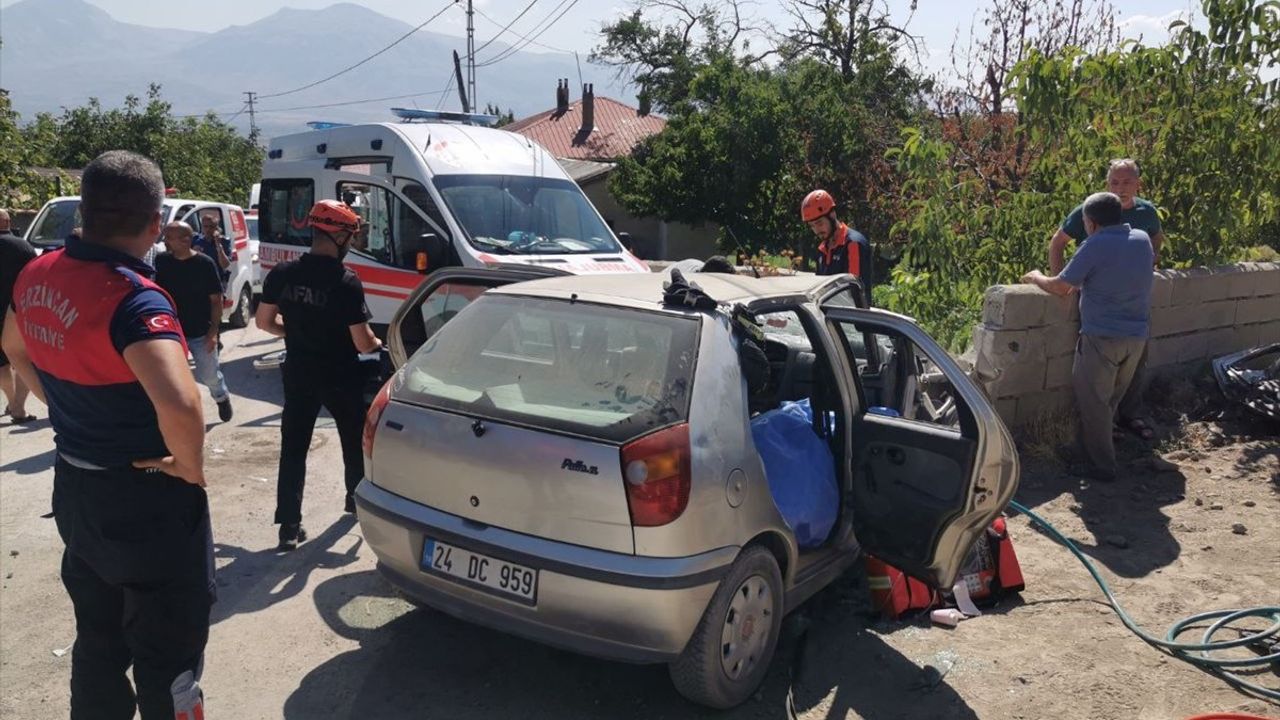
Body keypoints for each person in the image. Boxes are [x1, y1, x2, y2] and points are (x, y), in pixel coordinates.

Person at [1, 150, 213, 719]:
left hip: (76, 491)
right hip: (146, 498)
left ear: (85, 209)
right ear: (153, 222)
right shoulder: (134, 297)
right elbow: (180, 402)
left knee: (98, 641)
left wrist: (60, 404)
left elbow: (15, 348)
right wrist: (190, 468)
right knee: (169, 655)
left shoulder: (36, 272)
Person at [256, 200, 382, 550]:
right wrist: (379, 343)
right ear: (339, 235)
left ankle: (289, 526)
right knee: (352, 439)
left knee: (293, 448)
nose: (352, 244)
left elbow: (264, 322)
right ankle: (354, 501)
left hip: (298, 374)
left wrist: (294, 333)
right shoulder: (346, 281)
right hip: (341, 374)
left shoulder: (282, 274)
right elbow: (363, 341)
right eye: (351, 237)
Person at [1023, 192, 1154, 481]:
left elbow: (1061, 287)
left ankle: (1102, 467)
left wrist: (1036, 276)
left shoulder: (1094, 245)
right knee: (1110, 401)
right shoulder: (1142, 239)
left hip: (1102, 337)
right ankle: (1102, 451)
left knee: (1093, 403)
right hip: (1137, 337)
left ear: (1091, 223)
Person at [1048, 158, 1165, 441]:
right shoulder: (1091, 209)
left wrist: (1150, 266)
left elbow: (1157, 238)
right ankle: (1105, 428)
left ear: (1138, 184)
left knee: (1134, 363)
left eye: (1126, 182)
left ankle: (1129, 415)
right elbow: (1058, 242)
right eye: (1115, 182)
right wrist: (1064, 281)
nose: (1120, 188)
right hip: (1099, 301)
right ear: (1107, 184)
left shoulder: (1146, 213)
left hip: (1133, 302)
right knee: (1098, 367)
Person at [155, 221, 233, 422]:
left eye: (169, 237)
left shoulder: (205, 264)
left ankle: (221, 396)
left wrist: (213, 333)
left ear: (185, 240)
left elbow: (216, 300)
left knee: (208, 375)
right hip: (171, 331)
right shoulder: (161, 261)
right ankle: (181, 416)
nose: (164, 241)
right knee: (171, 378)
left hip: (200, 330)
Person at [0, 209, 38, 423]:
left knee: (2, 365)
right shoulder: (21, 246)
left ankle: (10, 400)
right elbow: (36, 274)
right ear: (7, 221)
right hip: (17, 312)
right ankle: (18, 408)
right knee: (24, 358)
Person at [802, 190, 872, 285]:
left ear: (832, 215)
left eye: (819, 223)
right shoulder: (822, 249)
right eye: (812, 226)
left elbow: (854, 289)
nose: (816, 230)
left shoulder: (853, 244)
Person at [193, 213, 231, 287]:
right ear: (202, 227)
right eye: (205, 226)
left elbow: (225, 265)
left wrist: (219, 246)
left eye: (211, 227)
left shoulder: (224, 241)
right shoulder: (195, 240)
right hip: (199, 279)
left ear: (216, 228)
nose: (208, 229)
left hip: (217, 279)